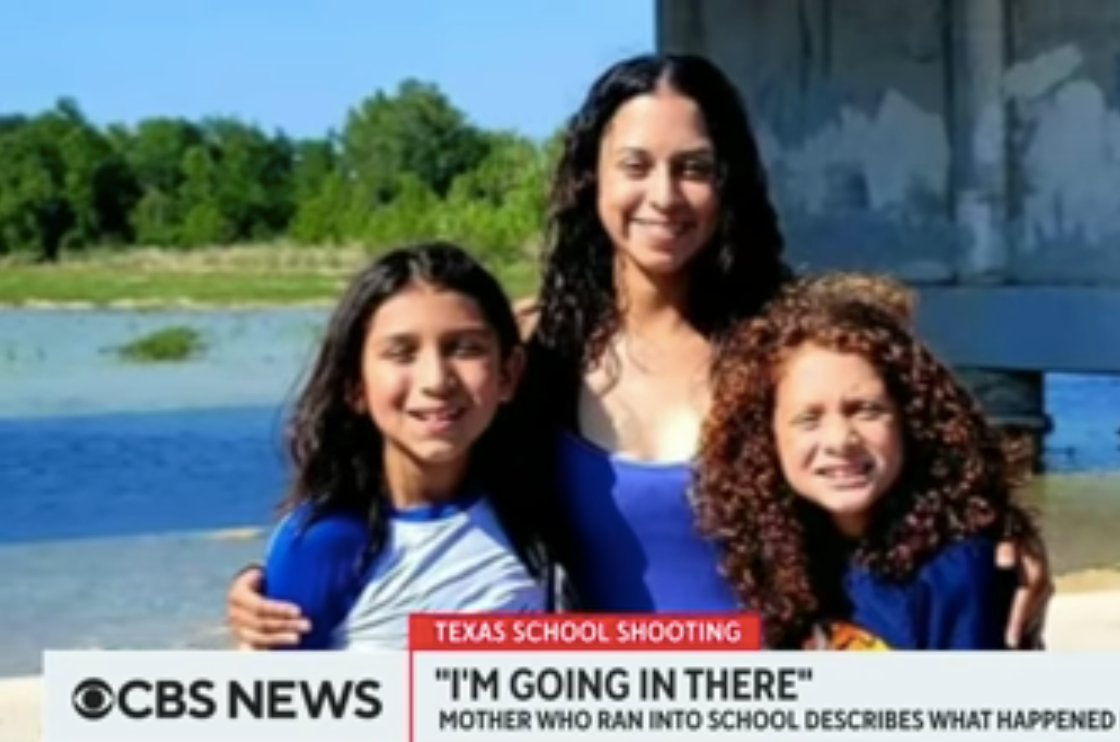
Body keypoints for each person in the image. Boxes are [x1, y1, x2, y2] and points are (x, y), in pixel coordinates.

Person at [223, 52, 1051, 647]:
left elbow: (913, 447)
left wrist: (1006, 542)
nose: (663, 195)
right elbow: (411, 473)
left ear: (728, 186)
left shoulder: (786, 341)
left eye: (692, 167)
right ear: (593, 179)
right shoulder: (532, 346)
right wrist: (279, 584)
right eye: (635, 165)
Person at [692, 274, 1040, 650]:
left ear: (911, 419)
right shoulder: (766, 558)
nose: (840, 440)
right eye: (808, 419)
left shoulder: (957, 571)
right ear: (766, 437)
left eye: (867, 410)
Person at [259, 241, 551, 649]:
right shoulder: (325, 540)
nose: (435, 380)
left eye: (464, 348)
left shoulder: (537, 508)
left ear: (508, 373)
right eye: (401, 353)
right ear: (355, 385)